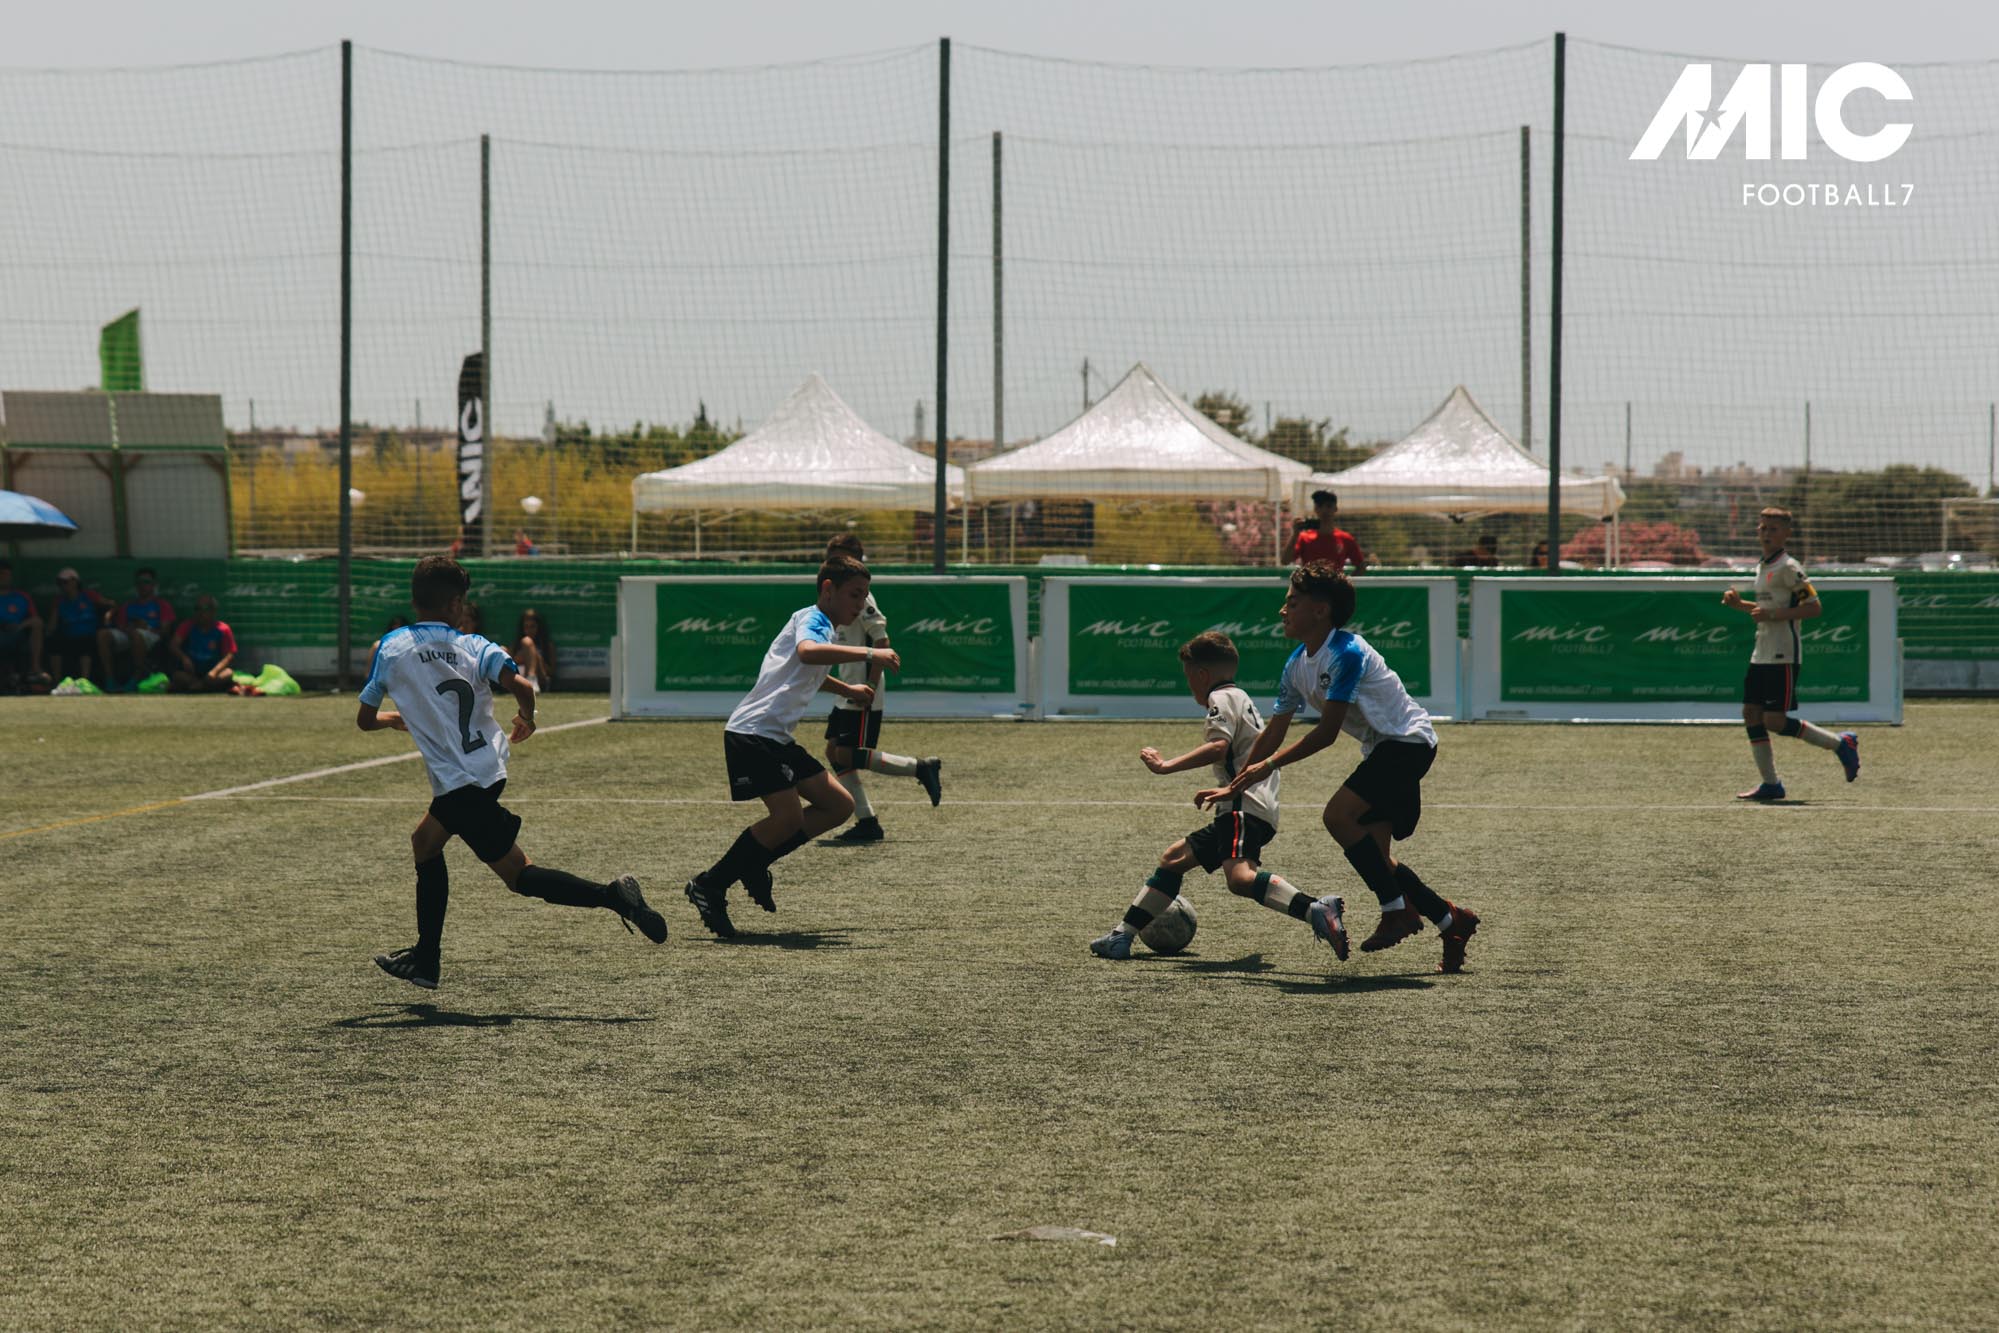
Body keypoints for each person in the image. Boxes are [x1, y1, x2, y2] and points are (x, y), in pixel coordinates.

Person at [357, 555, 664, 989]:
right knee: (425, 842)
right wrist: (527, 718)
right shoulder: (475, 644)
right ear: (456, 604)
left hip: (461, 783)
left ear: (414, 600)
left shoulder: (391, 647)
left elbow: (365, 720)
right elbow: (521, 686)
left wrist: (392, 718)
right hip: (485, 768)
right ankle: (426, 958)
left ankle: (612, 897)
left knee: (518, 875)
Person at [1198, 562, 1482, 974]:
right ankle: (1451, 921)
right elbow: (1275, 730)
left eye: (1292, 602)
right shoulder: (1296, 663)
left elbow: (1326, 734)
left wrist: (1267, 765)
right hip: (1383, 749)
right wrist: (1238, 780)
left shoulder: (1347, 652)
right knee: (1380, 860)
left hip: (1408, 743)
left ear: (1321, 610)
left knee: (1337, 816)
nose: (1282, 610)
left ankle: (1396, 911)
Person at [682, 553, 898, 938]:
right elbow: (807, 654)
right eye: (854, 594)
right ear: (828, 589)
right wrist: (869, 652)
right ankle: (709, 884)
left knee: (839, 805)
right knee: (787, 819)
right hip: (753, 734)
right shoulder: (814, 620)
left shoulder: (823, 626)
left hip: (775, 737)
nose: (860, 604)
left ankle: (754, 862)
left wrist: (847, 688)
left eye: (865, 596)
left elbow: (807, 668)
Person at [1089, 631, 1334, 960]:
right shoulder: (1239, 696)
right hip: (1245, 805)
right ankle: (1122, 936)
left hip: (1242, 805)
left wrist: (1165, 766)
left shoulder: (1220, 698)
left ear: (1202, 675)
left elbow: (1219, 747)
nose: (1189, 684)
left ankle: (1315, 909)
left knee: (1240, 878)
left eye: (1188, 676)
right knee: (1174, 859)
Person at [1723, 507, 1860, 801]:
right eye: (1763, 528)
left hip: (1782, 654)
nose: (1766, 534)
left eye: (1773, 529)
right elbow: (1768, 610)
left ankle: (1840, 744)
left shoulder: (1789, 567)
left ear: (1786, 534)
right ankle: (1771, 784)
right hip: (1761, 652)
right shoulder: (1763, 565)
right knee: (1751, 714)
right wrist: (1740, 606)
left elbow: (1814, 607)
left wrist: (1772, 615)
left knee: (1774, 720)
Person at [819, 534, 942, 844]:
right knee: (835, 753)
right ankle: (867, 821)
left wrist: (870, 686)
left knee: (845, 753)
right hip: (847, 687)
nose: (831, 563)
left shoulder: (862, 597)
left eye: (839, 558)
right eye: (830, 558)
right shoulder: (836, 592)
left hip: (861, 689)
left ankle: (919, 768)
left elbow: (882, 641)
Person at [98, 566, 177, 690]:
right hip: (129, 635)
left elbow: (165, 632)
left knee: (137, 634)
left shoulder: (162, 605)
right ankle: (110, 680)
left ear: (153, 585)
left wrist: (146, 627)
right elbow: (119, 627)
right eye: (140, 582)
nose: (143, 585)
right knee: (102, 634)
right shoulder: (128, 605)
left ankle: (136, 679)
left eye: (146, 582)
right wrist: (127, 627)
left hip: (151, 637)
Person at [45, 568, 111, 684]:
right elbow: (51, 628)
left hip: (89, 635)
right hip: (68, 636)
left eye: (65, 582)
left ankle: (84, 682)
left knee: (85, 644)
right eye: (60, 583)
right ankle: (57, 683)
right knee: (54, 642)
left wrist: (107, 616)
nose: (63, 586)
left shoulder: (89, 596)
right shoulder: (59, 601)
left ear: (75, 582)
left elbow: (110, 605)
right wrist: (55, 609)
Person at [1287, 489, 1370, 573]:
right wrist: (1295, 535)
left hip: (1335, 581)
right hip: (1310, 581)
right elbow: (1285, 561)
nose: (1324, 510)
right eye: (1320, 506)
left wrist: (1344, 581)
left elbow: (1361, 567)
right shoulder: (1304, 538)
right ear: (1315, 508)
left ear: (1335, 508)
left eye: (1329, 506)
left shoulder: (1345, 538)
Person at [168, 595, 238, 693]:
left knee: (228, 673)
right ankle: (204, 686)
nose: (201, 613)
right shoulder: (187, 625)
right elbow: (173, 645)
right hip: (192, 673)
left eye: (205, 609)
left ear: (213, 611)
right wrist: (184, 658)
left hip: (213, 673)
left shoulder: (223, 629)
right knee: (178, 676)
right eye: (197, 609)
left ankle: (199, 687)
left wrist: (214, 672)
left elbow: (229, 655)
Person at [0, 559, 47, 692]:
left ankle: (35, 668)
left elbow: (35, 618)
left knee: (37, 624)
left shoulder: (21, 596)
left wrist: (19, 626)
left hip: (19, 634)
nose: (3, 577)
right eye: (1, 574)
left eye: (6, 574)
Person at [513, 608, 556, 692]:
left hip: (540, 680)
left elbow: (551, 672)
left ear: (538, 627)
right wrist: (518, 659)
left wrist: (536, 658)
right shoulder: (516, 645)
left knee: (527, 642)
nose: (529, 630)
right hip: (518, 679)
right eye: (526, 627)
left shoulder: (547, 645)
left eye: (532, 627)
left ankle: (531, 679)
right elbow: (509, 668)